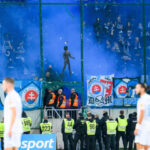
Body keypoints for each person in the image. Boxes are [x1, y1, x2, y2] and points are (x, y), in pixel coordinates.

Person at [2, 77, 23, 150]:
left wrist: (10, 128)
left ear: (8, 84)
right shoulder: (15, 95)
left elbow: (14, 112)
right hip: (15, 128)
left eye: (3, 84)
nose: (2, 86)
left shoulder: (11, 96)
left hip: (12, 129)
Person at [134, 83, 150, 150]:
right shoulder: (147, 98)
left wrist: (137, 127)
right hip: (147, 125)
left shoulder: (143, 99)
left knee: (139, 145)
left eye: (137, 88)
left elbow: (142, 112)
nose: (135, 90)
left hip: (143, 126)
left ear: (142, 89)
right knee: (146, 146)